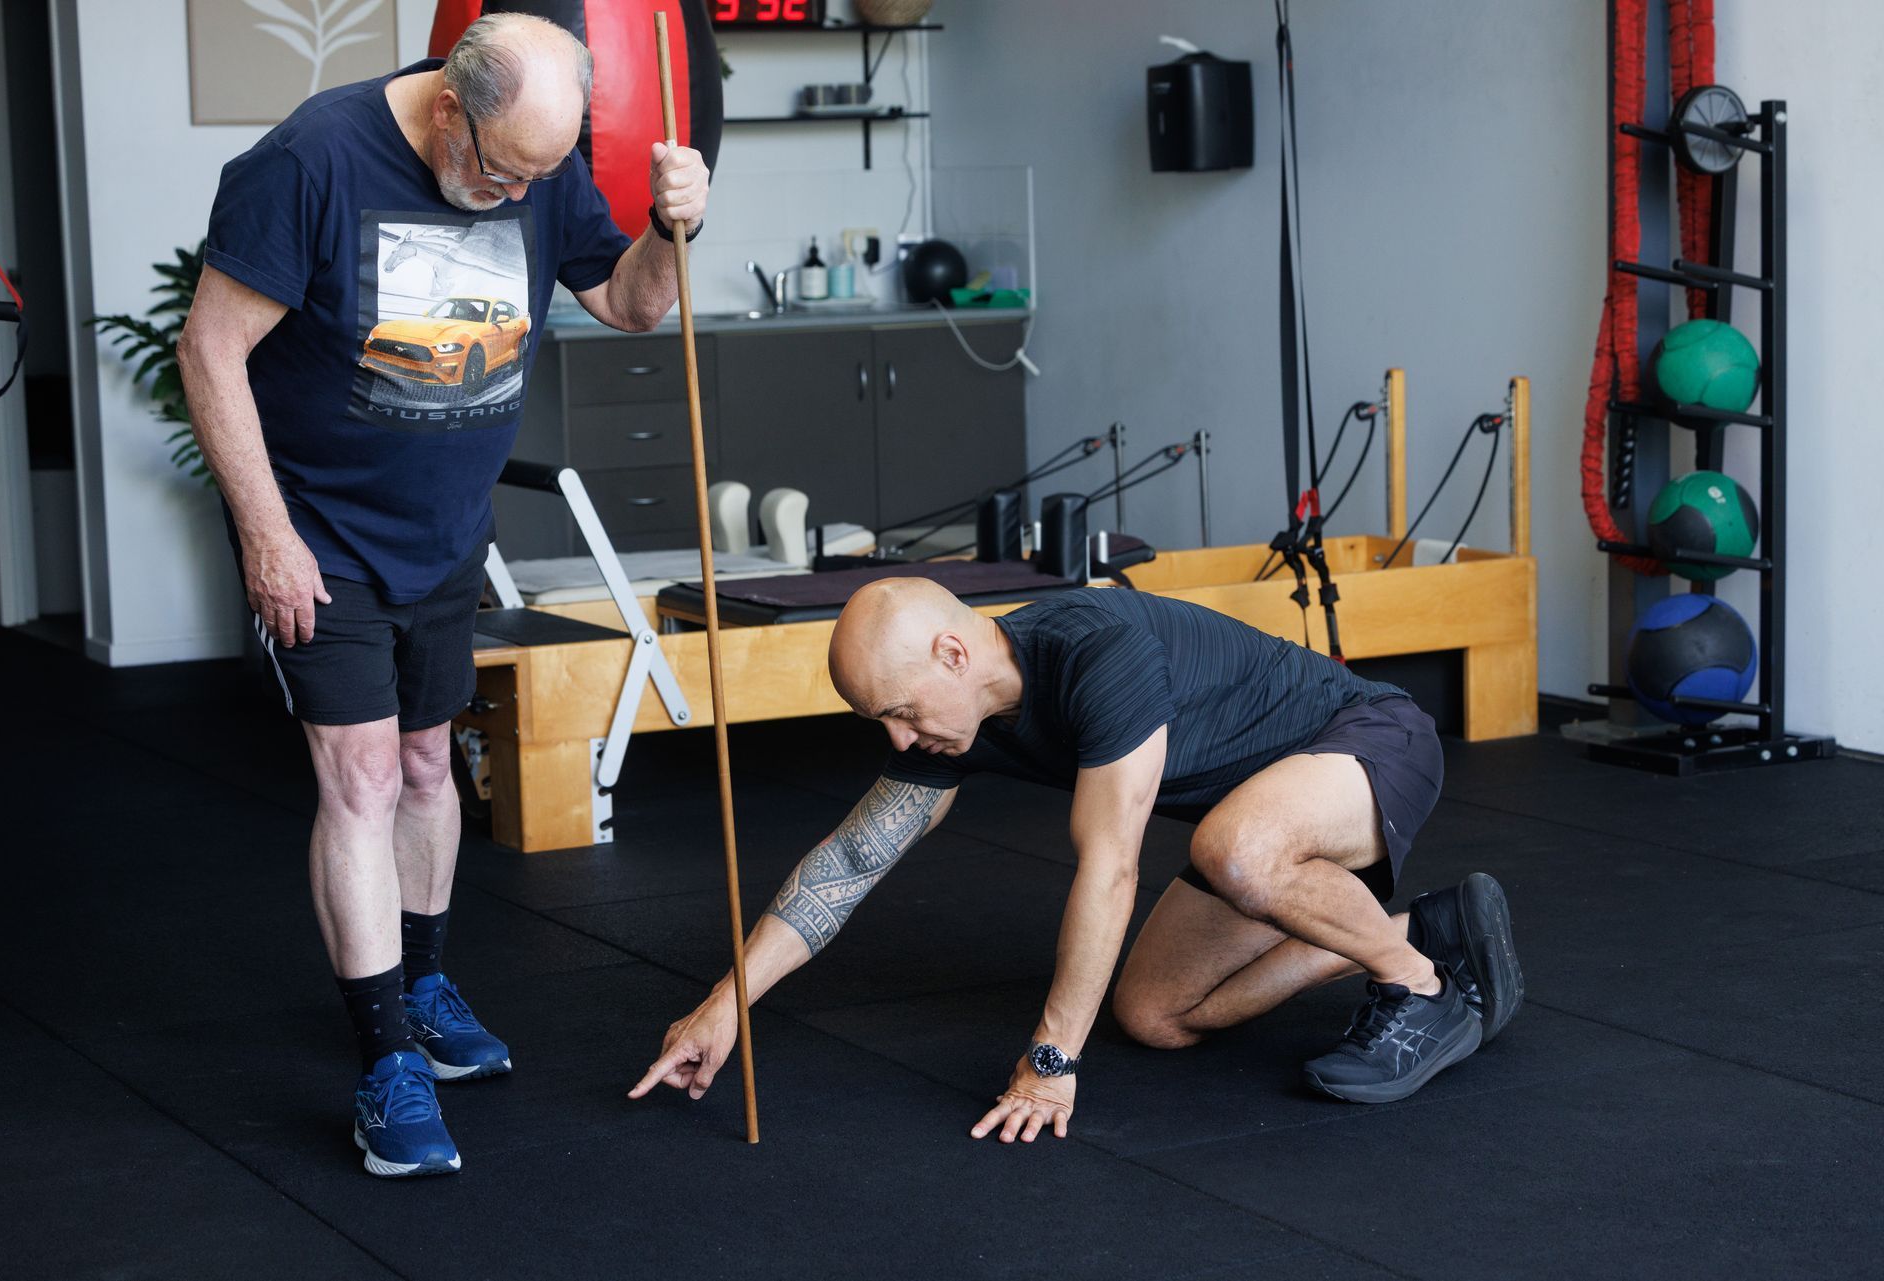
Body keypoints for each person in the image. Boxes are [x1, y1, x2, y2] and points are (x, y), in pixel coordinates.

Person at [177, 12, 710, 1178]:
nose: (514, 192)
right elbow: (209, 349)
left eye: (537, 174)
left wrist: (676, 229)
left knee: (429, 767)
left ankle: (423, 986)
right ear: (446, 107)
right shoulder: (311, 160)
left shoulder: (538, 157)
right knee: (361, 776)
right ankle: (384, 1068)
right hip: (320, 531)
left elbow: (630, 305)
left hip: (443, 534)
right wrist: (270, 540)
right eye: (499, 169)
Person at [632, 579, 1523, 1139]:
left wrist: (1051, 1063)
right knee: (1153, 1013)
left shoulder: (1097, 649)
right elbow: (854, 857)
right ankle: (1424, 929)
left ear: (952, 652)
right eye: (883, 724)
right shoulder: (958, 719)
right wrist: (725, 1005)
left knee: (1235, 849)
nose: (899, 736)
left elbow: (1111, 870)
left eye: (899, 711)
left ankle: (1422, 984)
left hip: (1372, 741)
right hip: (1260, 818)